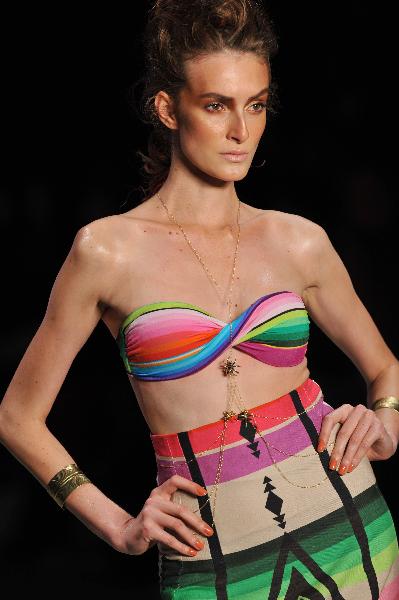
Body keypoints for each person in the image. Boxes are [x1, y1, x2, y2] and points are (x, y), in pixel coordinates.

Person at [1, 0, 399, 597]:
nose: (242, 130)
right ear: (168, 108)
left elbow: (385, 367)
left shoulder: (298, 241)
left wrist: (385, 424)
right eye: (216, 106)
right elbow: (16, 418)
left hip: (349, 526)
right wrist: (119, 527)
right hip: (207, 555)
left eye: (256, 105)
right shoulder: (106, 251)